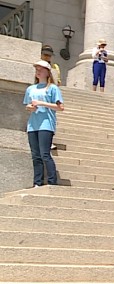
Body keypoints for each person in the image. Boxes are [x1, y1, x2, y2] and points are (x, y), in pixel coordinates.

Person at [24, 60, 63, 188]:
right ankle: (37, 182)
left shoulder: (52, 88)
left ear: (47, 72)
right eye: (37, 69)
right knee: (35, 155)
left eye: (41, 69)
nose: (38, 71)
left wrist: (41, 103)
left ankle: (52, 181)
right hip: (32, 125)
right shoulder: (30, 88)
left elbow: (60, 107)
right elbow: (27, 105)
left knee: (45, 154)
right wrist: (30, 107)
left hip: (46, 124)